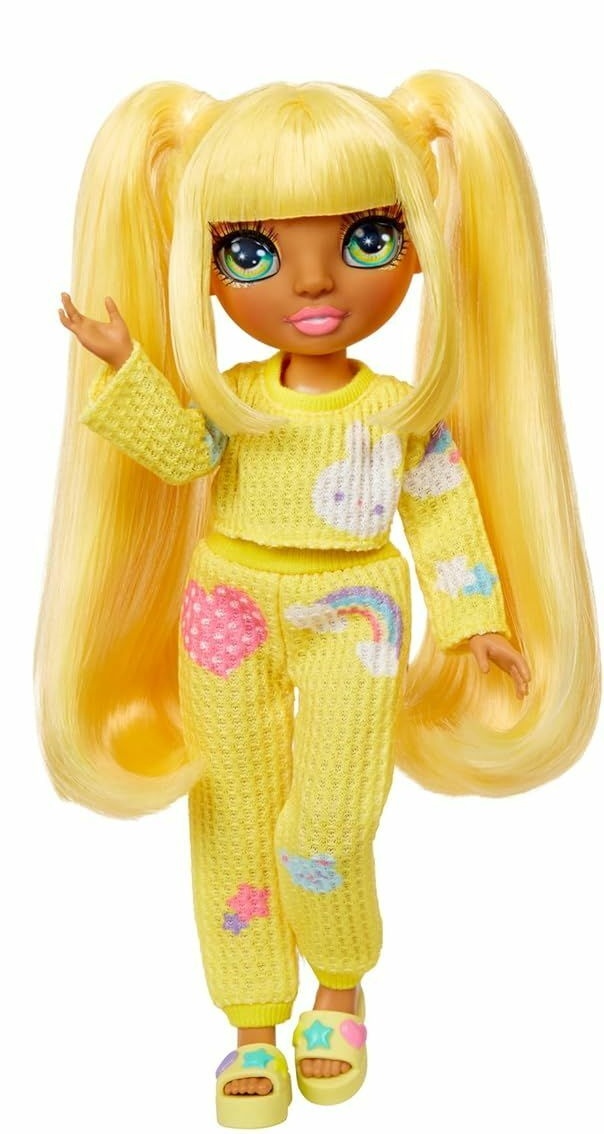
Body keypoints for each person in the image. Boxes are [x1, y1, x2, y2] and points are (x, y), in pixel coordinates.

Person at [35, 74, 599, 1128]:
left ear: (419, 248)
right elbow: (184, 454)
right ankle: (253, 1019)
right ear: (206, 270)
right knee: (233, 812)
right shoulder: (235, 397)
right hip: (229, 604)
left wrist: (473, 621)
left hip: (357, 614)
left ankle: (338, 987)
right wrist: (126, 369)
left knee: (329, 819)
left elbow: (441, 510)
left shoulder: (398, 411)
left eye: (366, 240)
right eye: (252, 252)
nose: (314, 282)